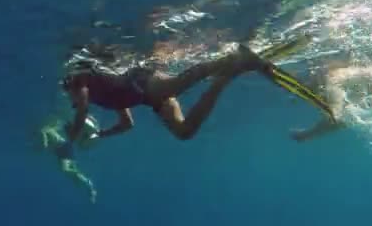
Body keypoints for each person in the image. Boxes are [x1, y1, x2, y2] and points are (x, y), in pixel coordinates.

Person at [59, 36, 333, 155]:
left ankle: (235, 58)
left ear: (70, 83)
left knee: (179, 84)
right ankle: (227, 75)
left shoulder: (82, 79)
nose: (71, 99)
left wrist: (71, 142)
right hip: (148, 98)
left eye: (68, 92)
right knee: (185, 132)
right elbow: (127, 124)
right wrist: (100, 135)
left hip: (143, 82)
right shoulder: (102, 96)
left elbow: (81, 111)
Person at [40, 115, 100, 204]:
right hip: (62, 148)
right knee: (72, 174)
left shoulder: (44, 130)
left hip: (63, 147)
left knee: (66, 170)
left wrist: (45, 144)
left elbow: (45, 143)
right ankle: (90, 187)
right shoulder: (49, 128)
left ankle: (88, 183)